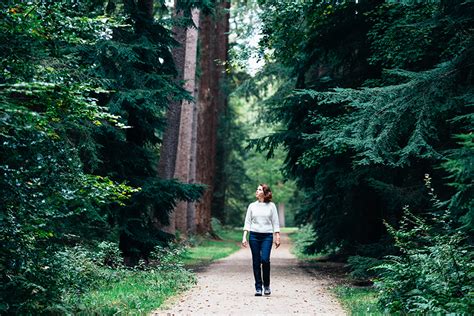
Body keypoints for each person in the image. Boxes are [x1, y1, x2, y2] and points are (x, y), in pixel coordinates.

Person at [242, 183, 281, 296]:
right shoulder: (252, 206)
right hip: (254, 236)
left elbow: (275, 222)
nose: (256, 191)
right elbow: (247, 222)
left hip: (267, 236)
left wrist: (277, 236)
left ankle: (267, 285)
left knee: (265, 260)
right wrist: (244, 236)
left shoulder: (272, 206)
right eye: (257, 189)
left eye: (259, 189)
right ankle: (258, 287)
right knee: (256, 261)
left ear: (264, 193)